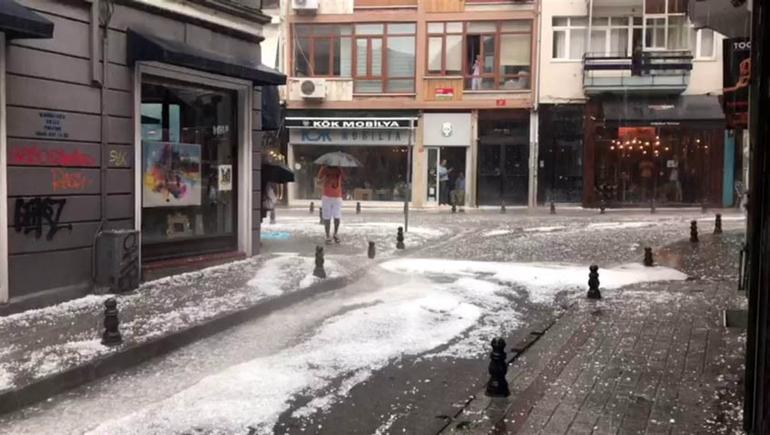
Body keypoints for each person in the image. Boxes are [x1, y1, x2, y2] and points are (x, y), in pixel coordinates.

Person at [317, 165, 344, 244]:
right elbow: (318, 181)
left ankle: (335, 233)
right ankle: (327, 235)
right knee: (327, 217)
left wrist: (340, 169)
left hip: (337, 196)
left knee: (337, 216)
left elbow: (345, 179)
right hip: (326, 196)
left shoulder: (339, 168)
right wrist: (324, 179)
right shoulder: (324, 168)